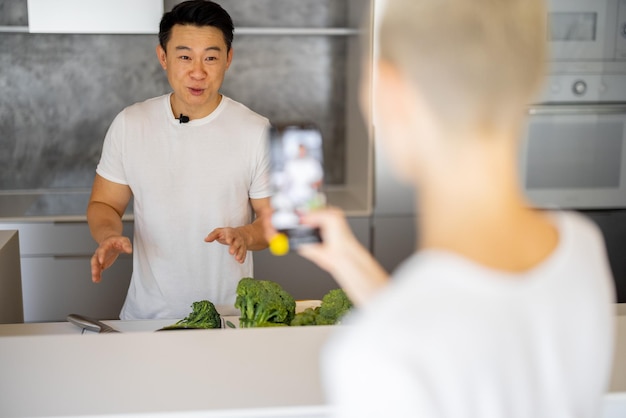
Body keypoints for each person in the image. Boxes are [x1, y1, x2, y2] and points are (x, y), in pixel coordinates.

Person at [266, 0, 616, 417]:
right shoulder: (580, 243)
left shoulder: (374, 354)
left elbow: (428, 329)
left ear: (390, 92)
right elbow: (465, 324)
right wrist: (347, 259)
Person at [87, 0, 271, 320]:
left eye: (210, 58)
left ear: (228, 59)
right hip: (147, 318)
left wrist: (246, 236)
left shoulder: (256, 130)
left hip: (228, 319)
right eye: (184, 56)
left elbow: (272, 220)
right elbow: (105, 204)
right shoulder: (131, 123)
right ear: (163, 57)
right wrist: (108, 236)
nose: (197, 72)